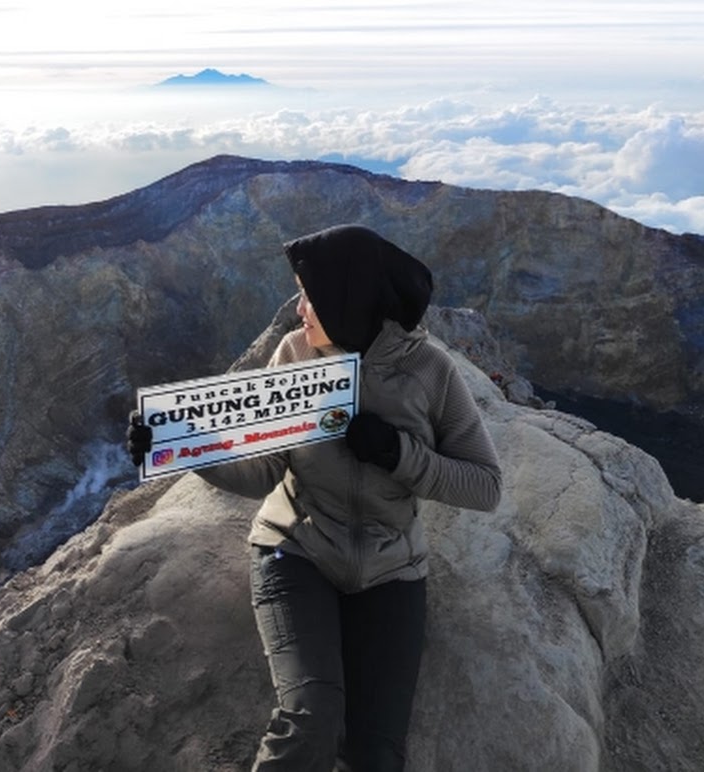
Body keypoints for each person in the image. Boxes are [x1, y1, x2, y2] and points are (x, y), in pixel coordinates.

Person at [127, 224, 502, 772]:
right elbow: (263, 471)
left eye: (310, 295)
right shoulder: (296, 354)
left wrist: (398, 454)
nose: (299, 310)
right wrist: (181, 448)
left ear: (349, 299)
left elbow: (485, 484)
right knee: (312, 720)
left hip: (391, 567)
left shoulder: (430, 371)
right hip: (296, 551)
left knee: (376, 756)